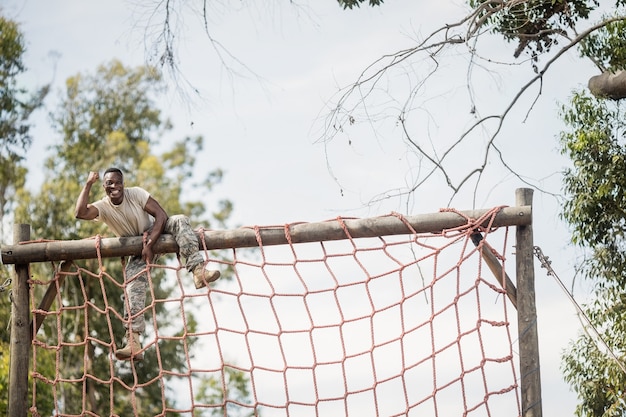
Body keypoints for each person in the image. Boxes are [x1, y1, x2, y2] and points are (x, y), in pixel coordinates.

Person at [75, 167, 220, 361]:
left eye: (118, 182)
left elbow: (161, 214)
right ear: (104, 187)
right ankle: (133, 342)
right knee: (132, 285)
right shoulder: (103, 207)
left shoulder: (135, 194)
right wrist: (87, 184)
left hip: (156, 231)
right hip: (136, 248)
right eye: (109, 183)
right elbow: (80, 213)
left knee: (180, 220)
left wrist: (150, 242)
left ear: (123, 184)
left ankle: (198, 272)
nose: (114, 186)